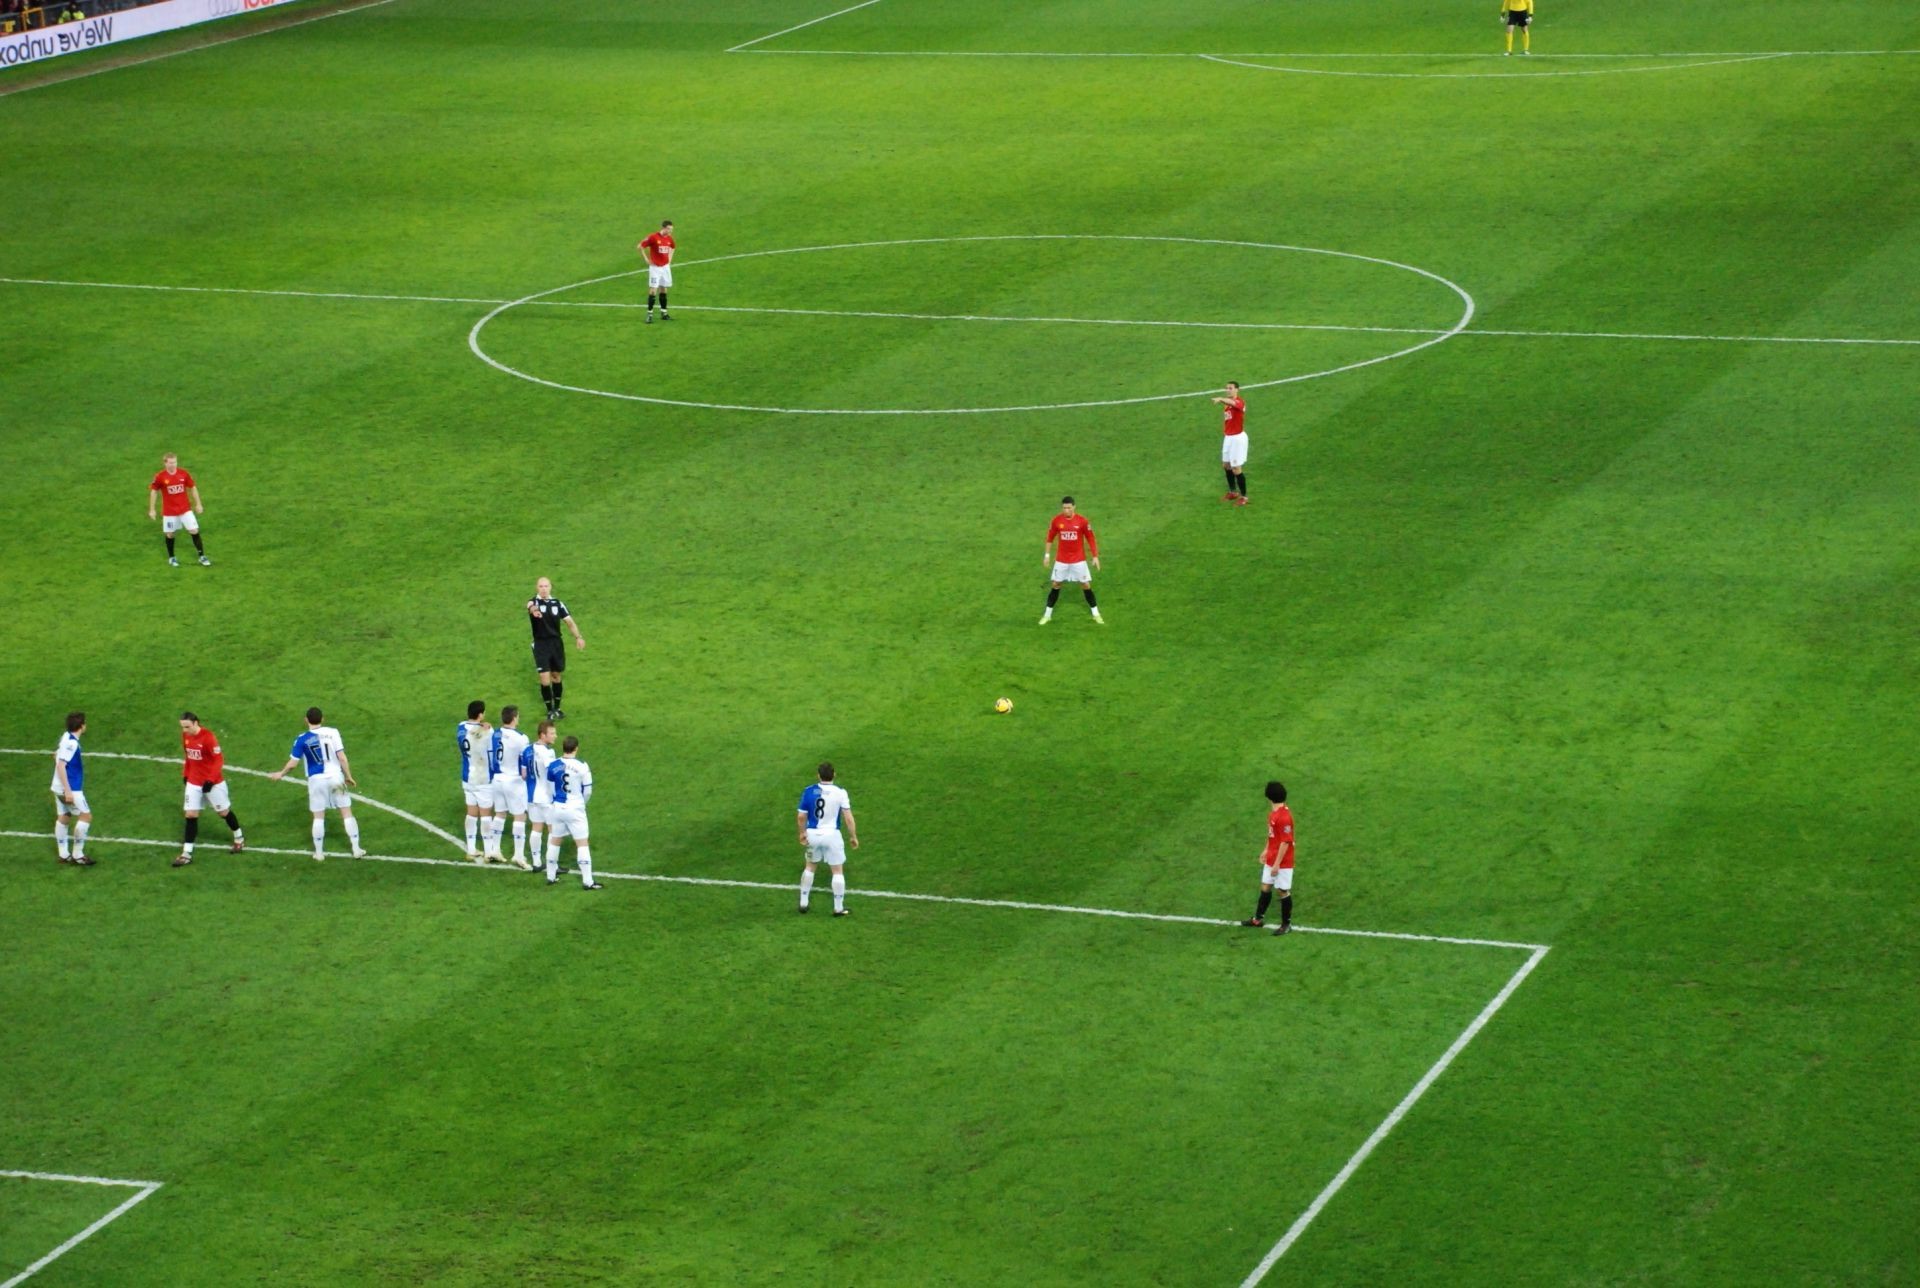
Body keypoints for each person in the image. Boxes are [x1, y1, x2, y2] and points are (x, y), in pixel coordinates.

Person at [266, 707, 364, 861]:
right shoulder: (333, 732)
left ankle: (319, 853)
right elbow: (342, 757)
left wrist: (281, 773)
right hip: (336, 778)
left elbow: (293, 763)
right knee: (346, 813)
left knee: (318, 817)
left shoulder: (302, 738)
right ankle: (356, 849)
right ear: (322, 719)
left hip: (316, 781)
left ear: (306, 720)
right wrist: (349, 776)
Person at [177, 712, 244, 867]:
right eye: (182, 727)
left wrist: (210, 780)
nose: (185, 730)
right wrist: (186, 773)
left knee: (223, 812)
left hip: (212, 783)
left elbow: (218, 760)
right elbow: (188, 756)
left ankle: (239, 837)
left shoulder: (208, 737)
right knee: (191, 814)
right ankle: (186, 853)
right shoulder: (186, 736)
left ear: (196, 723)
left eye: (187, 726)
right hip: (194, 782)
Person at [796, 761, 859, 916]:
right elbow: (848, 818)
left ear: (818, 775)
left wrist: (802, 833)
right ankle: (838, 908)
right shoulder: (840, 792)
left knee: (810, 867)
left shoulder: (809, 791)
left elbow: (801, 816)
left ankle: (803, 903)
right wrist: (853, 836)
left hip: (813, 835)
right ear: (834, 775)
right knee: (837, 871)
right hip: (832, 835)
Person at [543, 735, 600, 889]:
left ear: (563, 748)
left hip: (558, 808)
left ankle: (550, 876)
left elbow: (549, 789)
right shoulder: (582, 766)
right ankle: (587, 881)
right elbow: (587, 791)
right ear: (576, 748)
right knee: (582, 843)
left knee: (555, 840)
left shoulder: (553, 765)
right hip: (575, 808)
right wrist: (582, 803)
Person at [1240, 782, 1297, 934]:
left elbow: (1285, 842)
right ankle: (1257, 919)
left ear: (1269, 798)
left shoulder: (1284, 817)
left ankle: (1286, 925)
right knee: (1265, 887)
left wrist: (1277, 864)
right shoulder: (1273, 814)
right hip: (1272, 858)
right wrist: (1265, 850)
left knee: (1282, 891)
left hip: (1283, 862)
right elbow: (1272, 836)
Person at [527, 577, 586, 720]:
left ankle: (557, 708)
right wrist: (534, 610)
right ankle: (549, 710)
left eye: (546, 586)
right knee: (544, 677)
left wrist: (578, 637)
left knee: (556, 676)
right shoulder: (534, 602)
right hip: (541, 644)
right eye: (541, 586)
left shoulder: (558, 604)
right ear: (537, 588)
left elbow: (569, 622)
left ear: (550, 587)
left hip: (556, 644)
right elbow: (529, 605)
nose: (544, 589)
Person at [1040, 495, 1103, 625]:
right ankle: (1047, 615)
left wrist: (1095, 556)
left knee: (1085, 585)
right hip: (1061, 560)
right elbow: (1050, 538)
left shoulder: (1082, 521)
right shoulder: (1057, 521)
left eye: (1068, 508)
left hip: (1078, 560)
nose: (1066, 510)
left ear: (1074, 507)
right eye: (1064, 508)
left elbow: (1091, 538)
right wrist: (1047, 555)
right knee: (1056, 584)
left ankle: (1096, 614)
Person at [489, 705, 533, 869]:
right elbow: (524, 766)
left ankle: (494, 849)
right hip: (513, 780)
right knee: (520, 816)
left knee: (500, 814)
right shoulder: (521, 738)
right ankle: (519, 856)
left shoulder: (494, 734)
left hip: (497, 779)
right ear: (514, 718)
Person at [148, 452, 211, 567]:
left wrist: (198, 504)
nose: (173, 465)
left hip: (185, 509)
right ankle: (172, 558)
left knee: (194, 530)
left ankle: (202, 556)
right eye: (171, 463)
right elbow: (154, 492)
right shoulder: (160, 477)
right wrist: (152, 509)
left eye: (175, 462)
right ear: (165, 463)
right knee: (170, 534)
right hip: (170, 511)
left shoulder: (183, 474)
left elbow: (193, 487)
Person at [51, 711, 94, 867]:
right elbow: (61, 766)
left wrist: (56, 755)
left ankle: (63, 854)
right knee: (85, 816)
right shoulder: (72, 743)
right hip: (71, 788)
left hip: (56, 786)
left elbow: (58, 755)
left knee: (65, 815)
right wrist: (68, 791)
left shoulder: (66, 736)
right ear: (81, 726)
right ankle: (78, 854)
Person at [455, 700, 495, 863]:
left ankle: (471, 849)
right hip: (482, 777)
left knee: (471, 813)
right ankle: (488, 850)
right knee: (486, 814)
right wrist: (487, 728)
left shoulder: (460, 727)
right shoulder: (487, 732)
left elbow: (471, 729)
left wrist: (482, 726)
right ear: (480, 714)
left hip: (467, 776)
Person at [524, 719, 559, 871]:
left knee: (536, 828)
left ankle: (536, 863)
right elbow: (552, 775)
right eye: (552, 733)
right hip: (546, 796)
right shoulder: (548, 753)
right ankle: (553, 865)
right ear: (542, 735)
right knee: (553, 830)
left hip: (531, 796)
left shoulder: (527, 750)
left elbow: (523, 774)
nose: (555, 736)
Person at [1211, 382, 1249, 505]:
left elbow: (1233, 403)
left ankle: (1244, 497)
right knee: (1226, 465)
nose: (1228, 390)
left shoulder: (1239, 402)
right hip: (1228, 437)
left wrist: (1221, 399)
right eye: (1227, 388)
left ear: (1237, 390)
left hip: (1237, 438)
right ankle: (1233, 492)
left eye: (1231, 388)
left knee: (1236, 468)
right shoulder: (1227, 405)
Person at [637, 219, 676, 322]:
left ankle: (664, 313)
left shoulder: (669, 239)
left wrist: (669, 259)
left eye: (672, 229)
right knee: (653, 290)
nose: (670, 231)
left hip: (665, 268)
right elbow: (640, 246)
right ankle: (649, 315)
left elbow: (673, 247)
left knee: (663, 289)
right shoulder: (653, 237)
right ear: (664, 228)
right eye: (669, 229)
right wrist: (646, 259)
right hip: (655, 268)